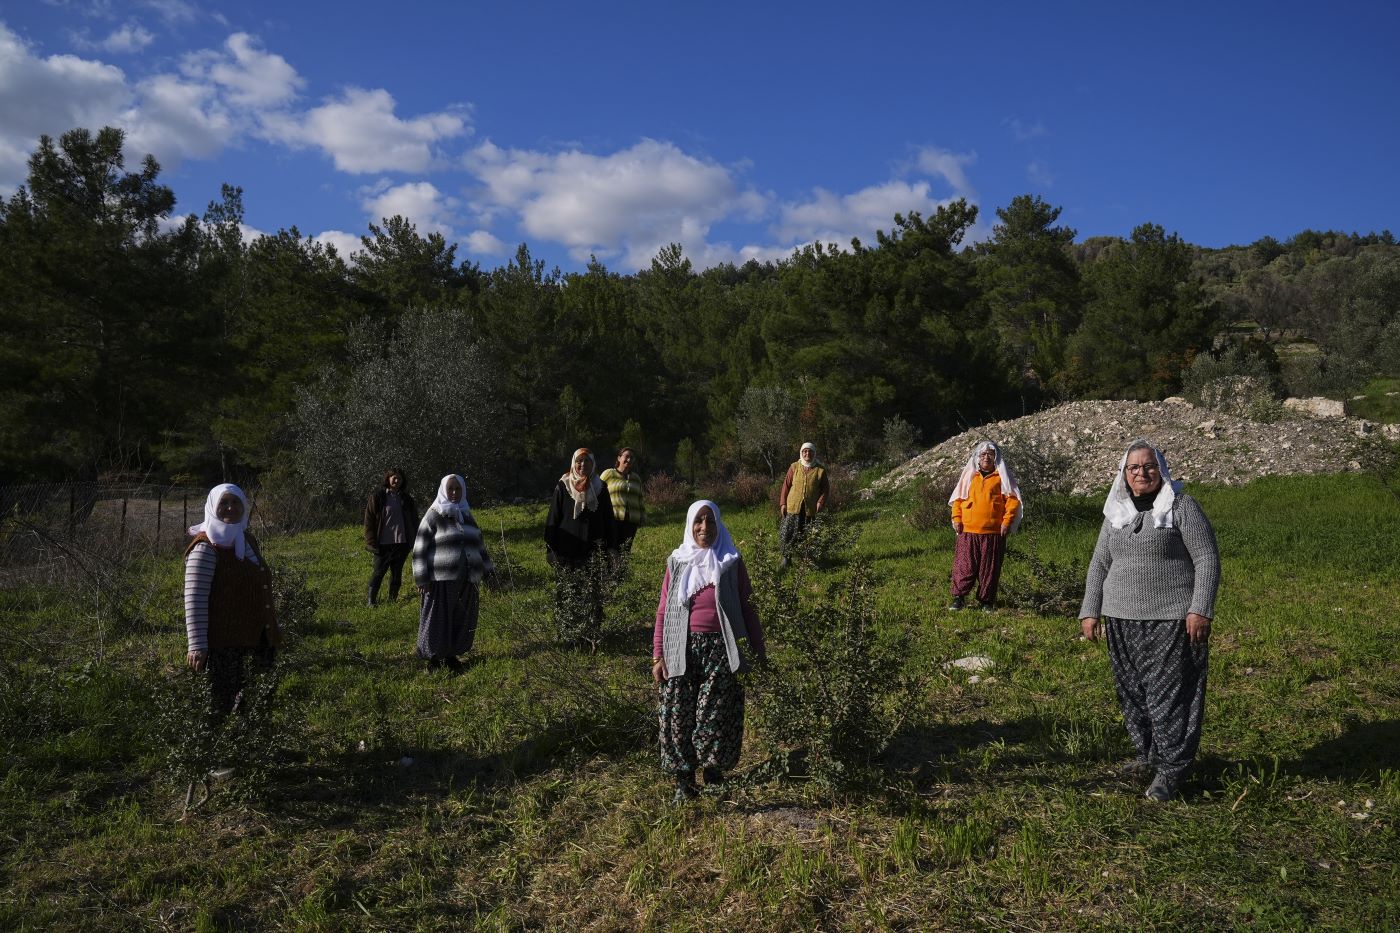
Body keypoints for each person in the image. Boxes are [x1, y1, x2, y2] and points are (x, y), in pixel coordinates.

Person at [1079, 440, 1220, 802]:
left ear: (1161, 468)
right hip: (1121, 618)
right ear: (1124, 474)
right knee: (1133, 694)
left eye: (1148, 466)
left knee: (1169, 696)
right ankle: (1148, 757)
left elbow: (1206, 558)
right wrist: (1090, 610)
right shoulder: (1116, 513)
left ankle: (1172, 770)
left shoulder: (1182, 507)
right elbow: (1099, 564)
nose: (1141, 473)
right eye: (1134, 468)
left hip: (1171, 619)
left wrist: (1200, 608)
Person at [652, 500, 767, 804]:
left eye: (711, 521)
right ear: (690, 525)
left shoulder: (730, 562)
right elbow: (664, 609)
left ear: (719, 524)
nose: (705, 528)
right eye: (698, 522)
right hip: (681, 649)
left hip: (721, 648)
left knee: (714, 714)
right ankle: (684, 781)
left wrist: (758, 651)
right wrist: (658, 654)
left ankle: (713, 775)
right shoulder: (677, 562)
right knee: (678, 714)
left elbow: (748, 608)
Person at [183, 484, 282, 725]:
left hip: (256, 637)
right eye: (224, 503)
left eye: (236, 502)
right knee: (221, 706)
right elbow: (194, 599)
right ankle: (220, 759)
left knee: (257, 699)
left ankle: (253, 752)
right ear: (212, 508)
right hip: (223, 644)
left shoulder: (245, 539)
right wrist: (197, 645)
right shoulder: (205, 548)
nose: (230, 508)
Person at [412, 474, 494, 673]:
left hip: (467, 579)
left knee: (461, 618)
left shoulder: (467, 516)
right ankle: (434, 659)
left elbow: (479, 546)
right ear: (443, 491)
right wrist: (422, 578)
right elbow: (419, 548)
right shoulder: (434, 516)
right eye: (451, 489)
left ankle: (451, 656)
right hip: (440, 580)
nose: (455, 493)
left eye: (458, 489)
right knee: (438, 619)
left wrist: (490, 572)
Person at [544, 448, 616, 644]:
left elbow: (608, 519)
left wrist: (611, 548)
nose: (583, 465)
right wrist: (551, 549)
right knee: (567, 591)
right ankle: (567, 634)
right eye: (579, 461)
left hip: (593, 551)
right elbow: (553, 517)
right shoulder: (563, 485)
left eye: (587, 461)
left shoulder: (600, 487)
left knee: (591, 591)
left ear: (593, 464)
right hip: (566, 551)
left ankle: (590, 634)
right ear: (573, 463)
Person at [947, 441, 1023, 611]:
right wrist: (957, 518)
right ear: (977, 458)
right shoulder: (970, 476)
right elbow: (958, 499)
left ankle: (986, 601)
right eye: (983, 454)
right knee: (964, 566)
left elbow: (1012, 500)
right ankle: (959, 598)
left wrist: (1006, 522)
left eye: (990, 454)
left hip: (993, 531)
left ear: (996, 457)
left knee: (989, 568)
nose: (986, 457)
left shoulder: (1002, 477)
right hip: (968, 530)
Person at [363, 468, 419, 607]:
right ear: (387, 479)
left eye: (399, 478)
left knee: (396, 574)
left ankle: (392, 601)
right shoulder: (378, 497)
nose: (396, 480)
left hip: (402, 543)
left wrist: (416, 538)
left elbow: (414, 520)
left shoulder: (406, 499)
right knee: (378, 572)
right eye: (394, 477)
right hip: (382, 543)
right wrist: (371, 541)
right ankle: (371, 601)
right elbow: (369, 520)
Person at [777, 442, 830, 566]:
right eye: (805, 451)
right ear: (801, 453)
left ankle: (807, 560)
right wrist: (783, 503)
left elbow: (825, 489)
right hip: (792, 508)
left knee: (809, 535)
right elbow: (786, 486)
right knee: (788, 533)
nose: (807, 454)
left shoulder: (820, 470)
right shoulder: (794, 467)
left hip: (810, 509)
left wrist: (820, 502)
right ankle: (786, 558)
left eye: (810, 451)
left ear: (814, 453)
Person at [599, 447, 646, 554]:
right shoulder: (609, 474)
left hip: (631, 522)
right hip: (612, 520)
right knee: (612, 550)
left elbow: (640, 499)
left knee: (625, 552)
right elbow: (598, 494)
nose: (629, 460)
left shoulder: (636, 478)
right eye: (626, 456)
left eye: (632, 458)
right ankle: (611, 571)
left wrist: (642, 517)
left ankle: (622, 571)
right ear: (619, 458)